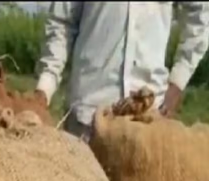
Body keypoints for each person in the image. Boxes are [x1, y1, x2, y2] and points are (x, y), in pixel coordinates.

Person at [34, 2, 209, 142]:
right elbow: (62, 22)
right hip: (87, 119)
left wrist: (178, 81)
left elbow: (201, 15)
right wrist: (45, 86)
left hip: (148, 121)